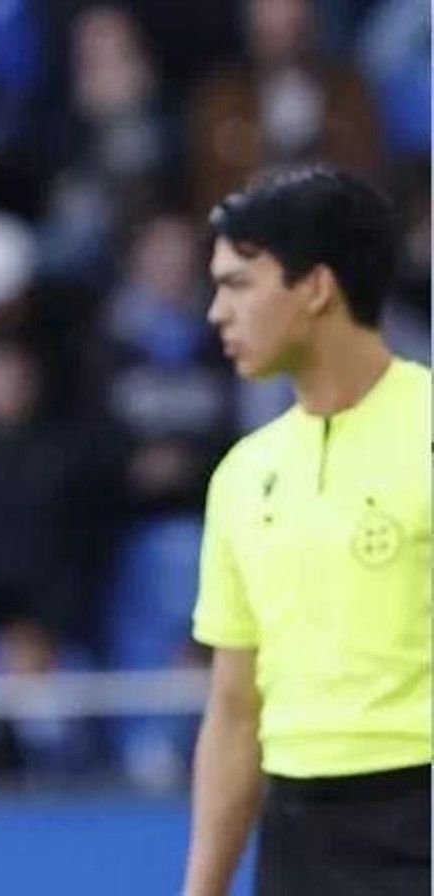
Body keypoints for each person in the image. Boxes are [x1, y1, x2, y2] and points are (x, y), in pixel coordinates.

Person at [183, 166, 431, 896]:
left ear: (317, 288)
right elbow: (234, 714)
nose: (216, 313)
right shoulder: (242, 475)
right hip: (296, 839)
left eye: (238, 284)